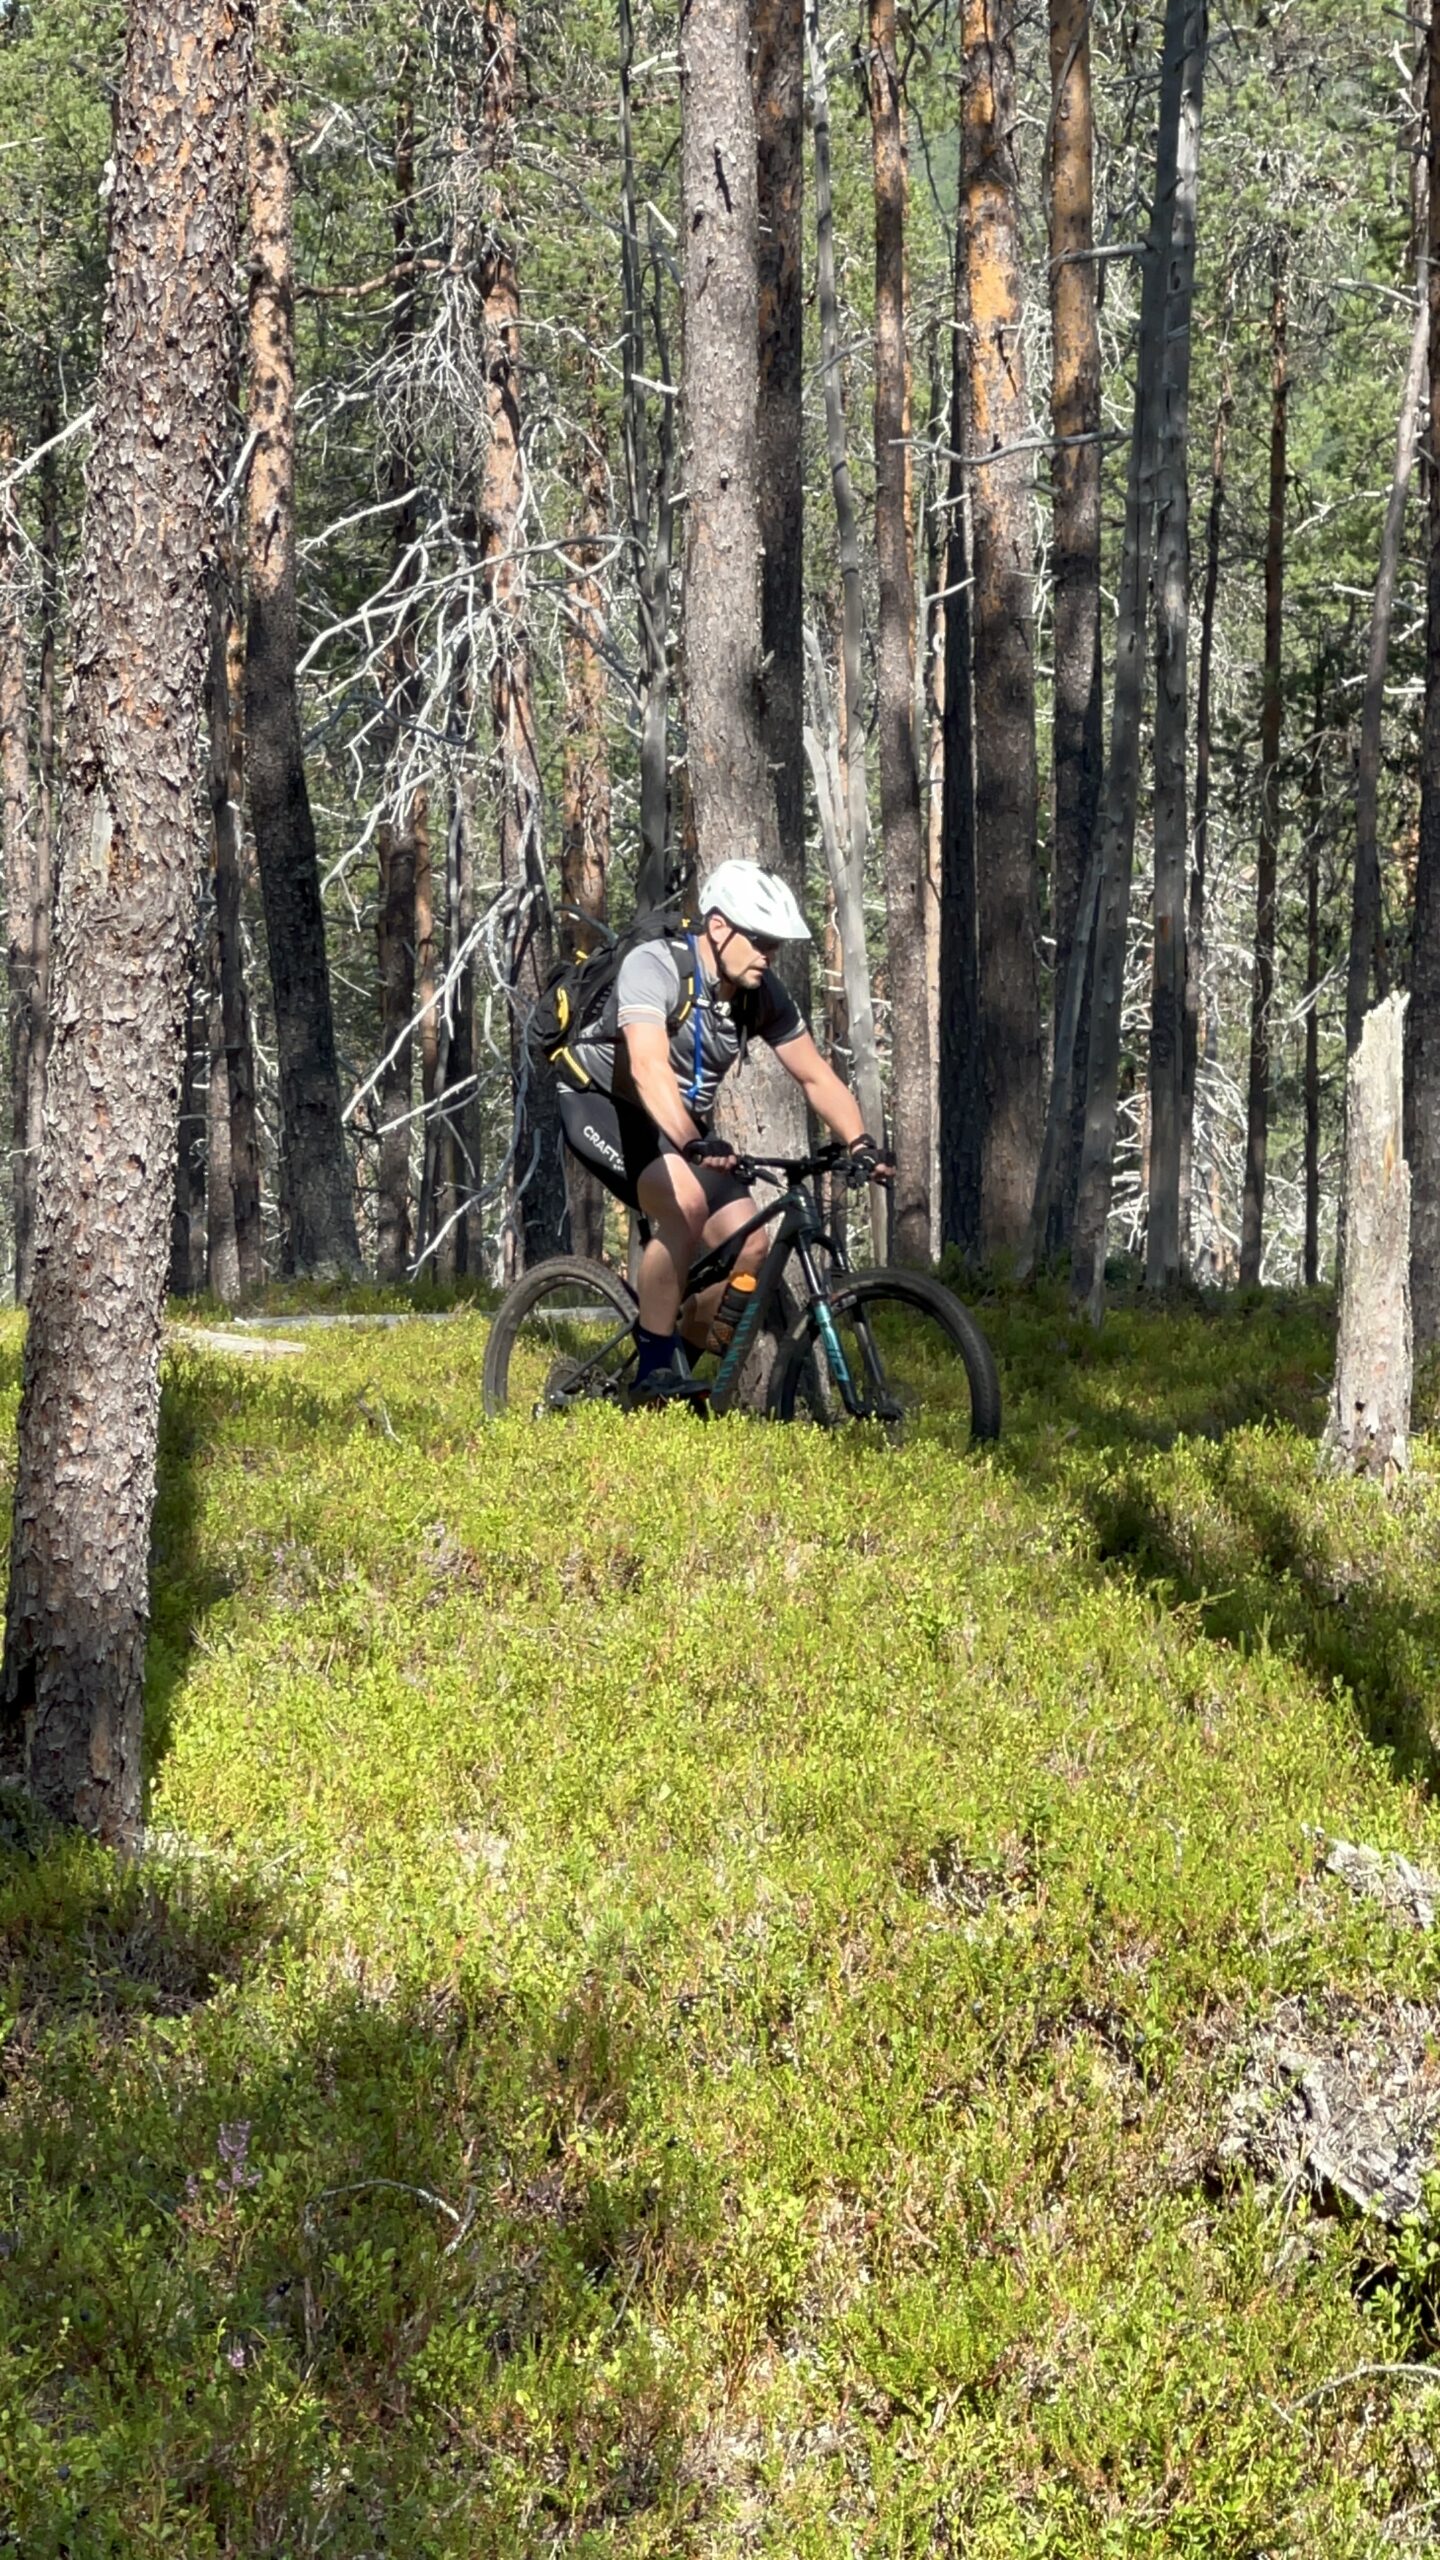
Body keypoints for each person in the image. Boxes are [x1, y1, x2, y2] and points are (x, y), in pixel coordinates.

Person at [557, 859, 891, 1395]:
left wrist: (861, 1142)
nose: (769, 954)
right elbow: (646, 1067)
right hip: (603, 1105)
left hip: (680, 1126)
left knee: (751, 1246)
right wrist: (692, 1141)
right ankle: (652, 1373)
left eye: (775, 944)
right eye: (759, 940)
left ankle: (675, 1369)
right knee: (685, 1206)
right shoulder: (656, 966)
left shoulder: (760, 993)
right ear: (718, 926)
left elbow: (815, 1076)